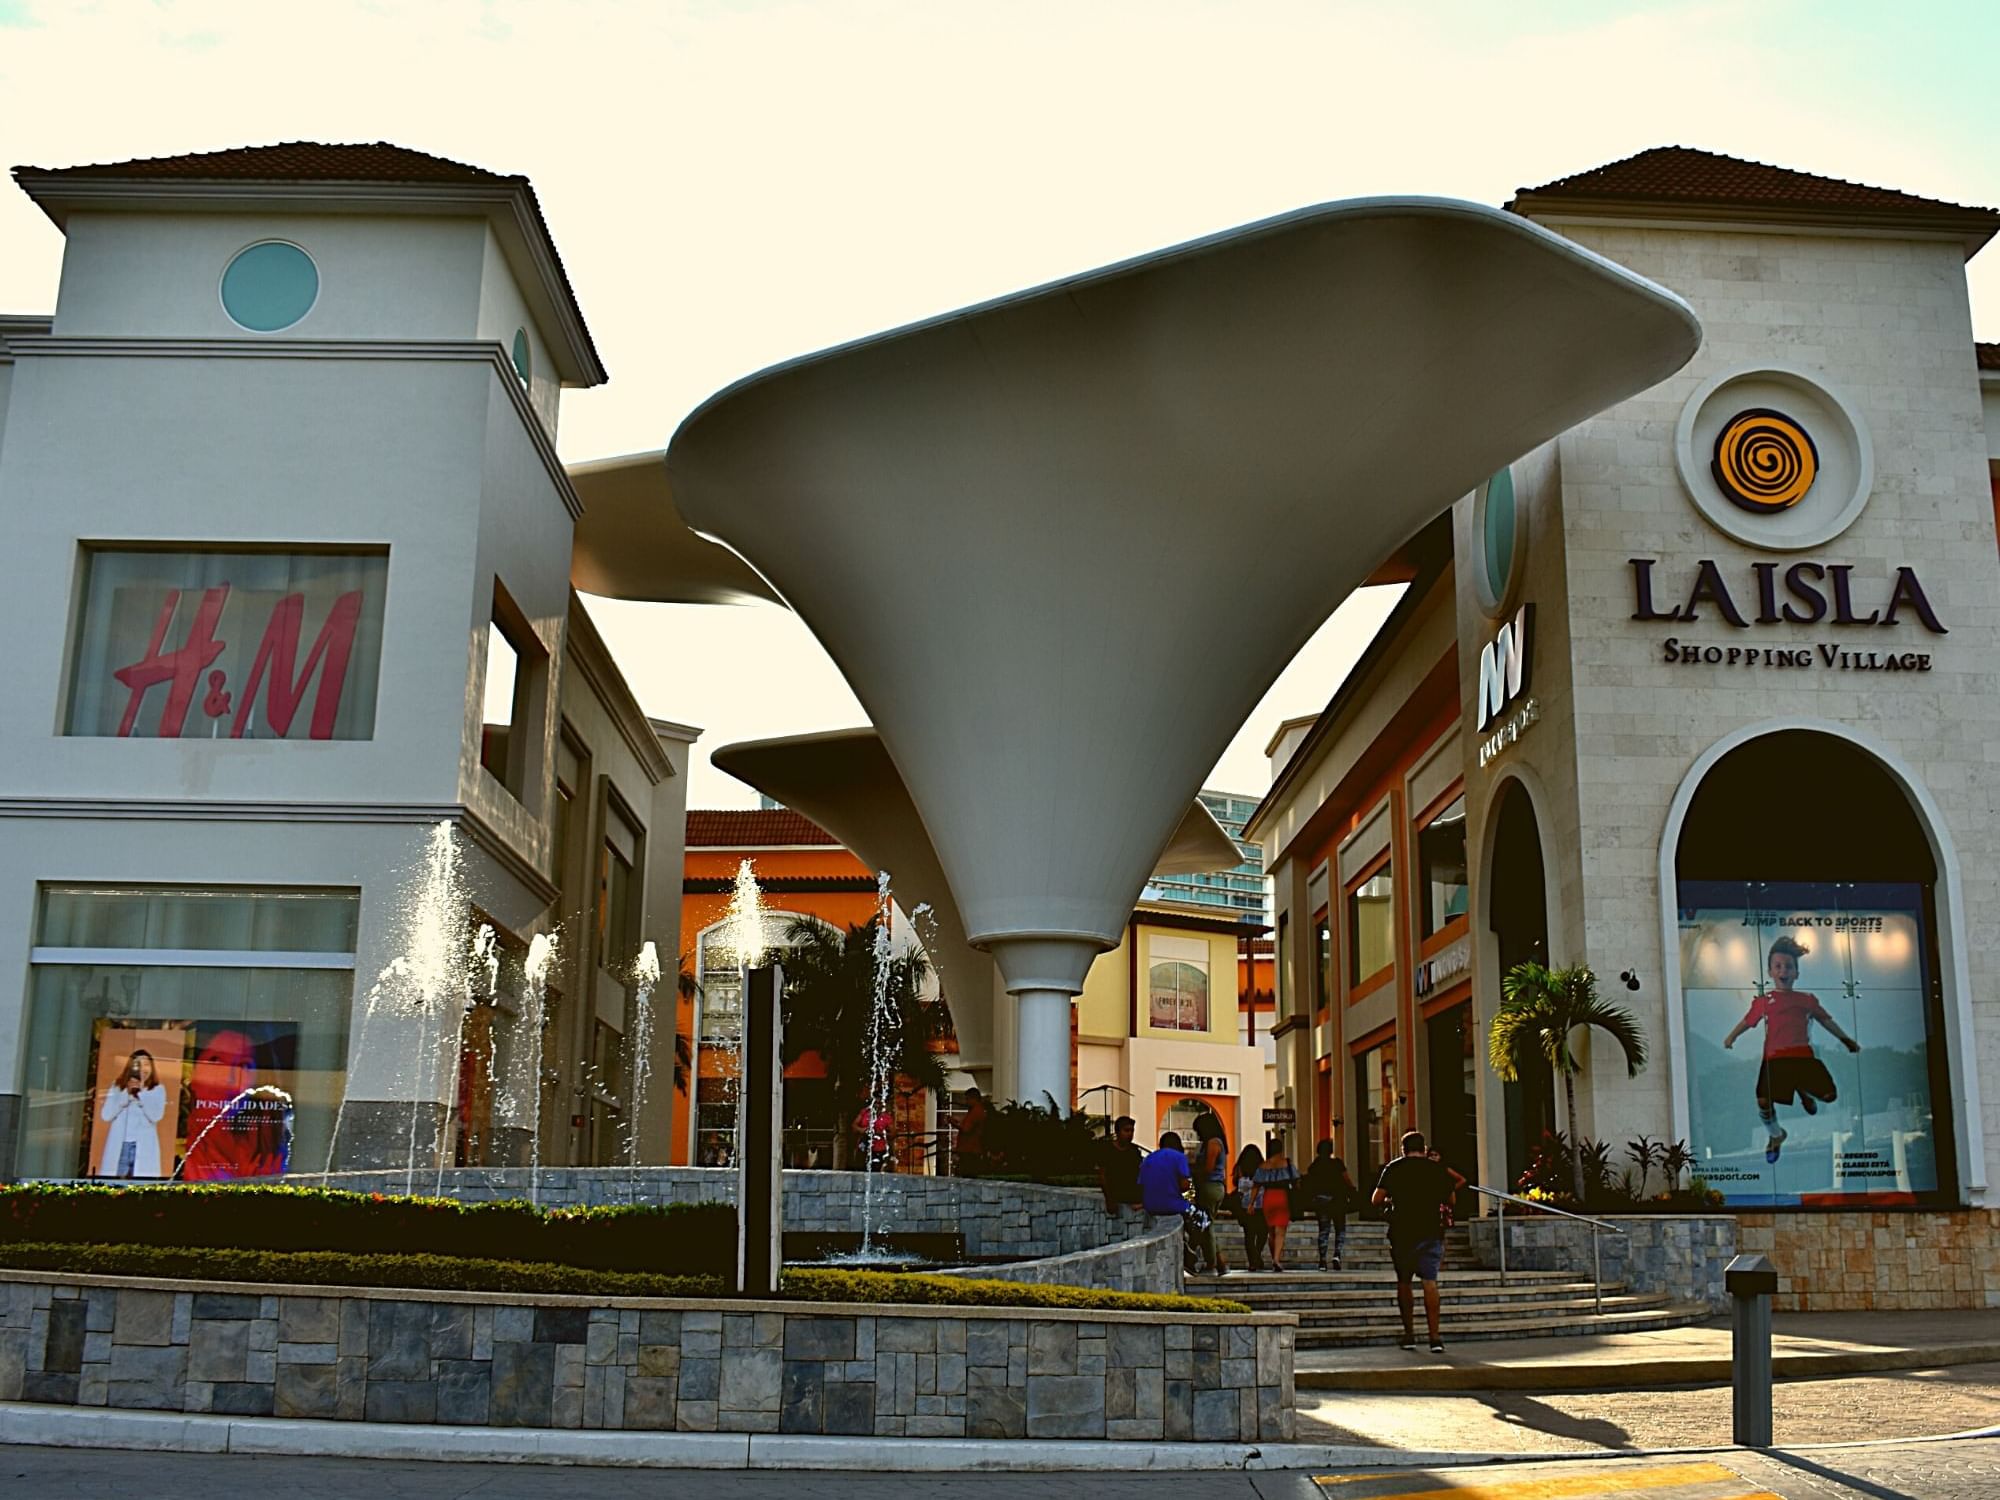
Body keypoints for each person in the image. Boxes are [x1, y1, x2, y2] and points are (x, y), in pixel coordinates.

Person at [1723, 934, 1860, 1165]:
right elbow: (1748, 1021)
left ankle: (1803, 1090)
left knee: (1829, 1095)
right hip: (1774, 1059)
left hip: (1802, 1057)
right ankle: (1776, 1135)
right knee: (1763, 1100)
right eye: (1778, 966)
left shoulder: (1806, 1000)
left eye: (1788, 966)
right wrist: (1731, 1036)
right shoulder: (1765, 1001)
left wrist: (1846, 1040)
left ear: (1796, 973)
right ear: (1770, 973)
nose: (1783, 971)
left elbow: (1826, 1021)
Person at [1372, 1129, 1465, 1353]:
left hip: (1402, 1231)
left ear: (1403, 1149)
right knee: (1430, 1281)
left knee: (1404, 1281)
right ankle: (1435, 1337)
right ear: (1424, 1149)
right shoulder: (1436, 1170)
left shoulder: (1394, 1168)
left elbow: (1376, 1199)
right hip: (1431, 1229)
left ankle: (1409, 1334)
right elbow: (1451, 1199)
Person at [1138, 1129, 1220, 1275]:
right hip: (1172, 1205)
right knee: (1204, 1220)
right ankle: (1199, 1256)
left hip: (1150, 1205)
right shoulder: (1179, 1157)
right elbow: (1184, 1185)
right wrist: (1189, 1196)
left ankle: (1187, 1247)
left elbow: (1141, 1184)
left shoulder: (1148, 1159)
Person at [97, 1050, 168, 1179]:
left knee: (141, 1183)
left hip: (143, 1146)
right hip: (121, 1145)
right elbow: (106, 1115)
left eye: (146, 1064)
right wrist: (126, 1094)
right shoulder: (118, 1087)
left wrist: (140, 1093)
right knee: (115, 1183)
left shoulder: (157, 1089)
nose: (142, 1068)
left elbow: (156, 1116)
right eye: (138, 1065)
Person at [1301, 1138, 1357, 1271]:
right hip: (1338, 1200)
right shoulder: (1337, 1164)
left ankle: (1322, 1260)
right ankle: (1337, 1254)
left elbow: (1309, 1183)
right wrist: (1352, 1190)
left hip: (1321, 1201)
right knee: (1340, 1228)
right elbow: (1347, 1179)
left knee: (1324, 1229)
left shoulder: (1314, 1166)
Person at [1190, 1111, 1231, 1273]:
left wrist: (1192, 1169)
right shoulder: (1217, 1143)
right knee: (1208, 1224)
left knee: (1206, 1226)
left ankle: (1211, 1264)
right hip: (1215, 1186)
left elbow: (1208, 1168)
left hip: (1210, 1186)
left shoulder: (1213, 1143)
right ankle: (1220, 1262)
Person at [1254, 1136, 1300, 1272]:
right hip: (1282, 1197)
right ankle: (1276, 1259)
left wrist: (1251, 1203)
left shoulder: (1263, 1166)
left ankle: (1274, 1256)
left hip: (1268, 1198)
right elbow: (1297, 1180)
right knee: (1280, 1231)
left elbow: (1256, 1185)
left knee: (1271, 1232)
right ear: (1281, 1149)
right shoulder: (1287, 1163)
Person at [1230, 1141, 1268, 1271]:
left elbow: (1236, 1183)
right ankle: (1257, 1255)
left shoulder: (1240, 1169)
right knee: (1262, 1232)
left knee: (1249, 1235)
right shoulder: (1262, 1169)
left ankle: (1253, 1260)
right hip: (1261, 1205)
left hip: (1244, 1205)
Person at [1098, 1115, 1144, 1213]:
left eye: (1132, 1131)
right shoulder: (1107, 1150)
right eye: (1126, 1131)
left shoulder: (1134, 1151)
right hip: (1116, 1195)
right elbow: (1102, 1176)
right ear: (1118, 1132)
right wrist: (1109, 1199)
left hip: (1133, 1197)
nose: (1130, 1134)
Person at [954, 1088, 990, 1175]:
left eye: (967, 1099)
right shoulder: (976, 1111)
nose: (966, 1102)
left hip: (970, 1150)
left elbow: (966, 1129)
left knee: (967, 1175)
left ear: (973, 1099)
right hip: (970, 1150)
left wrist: (954, 1124)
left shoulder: (976, 1111)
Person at [853, 1101, 894, 1172]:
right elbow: (854, 1126)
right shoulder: (864, 1112)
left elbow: (893, 1134)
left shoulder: (886, 1117)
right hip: (864, 1147)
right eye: (875, 1103)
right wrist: (863, 1130)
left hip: (879, 1150)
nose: (877, 1106)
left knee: (876, 1172)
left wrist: (880, 1133)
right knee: (860, 1169)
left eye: (879, 1103)